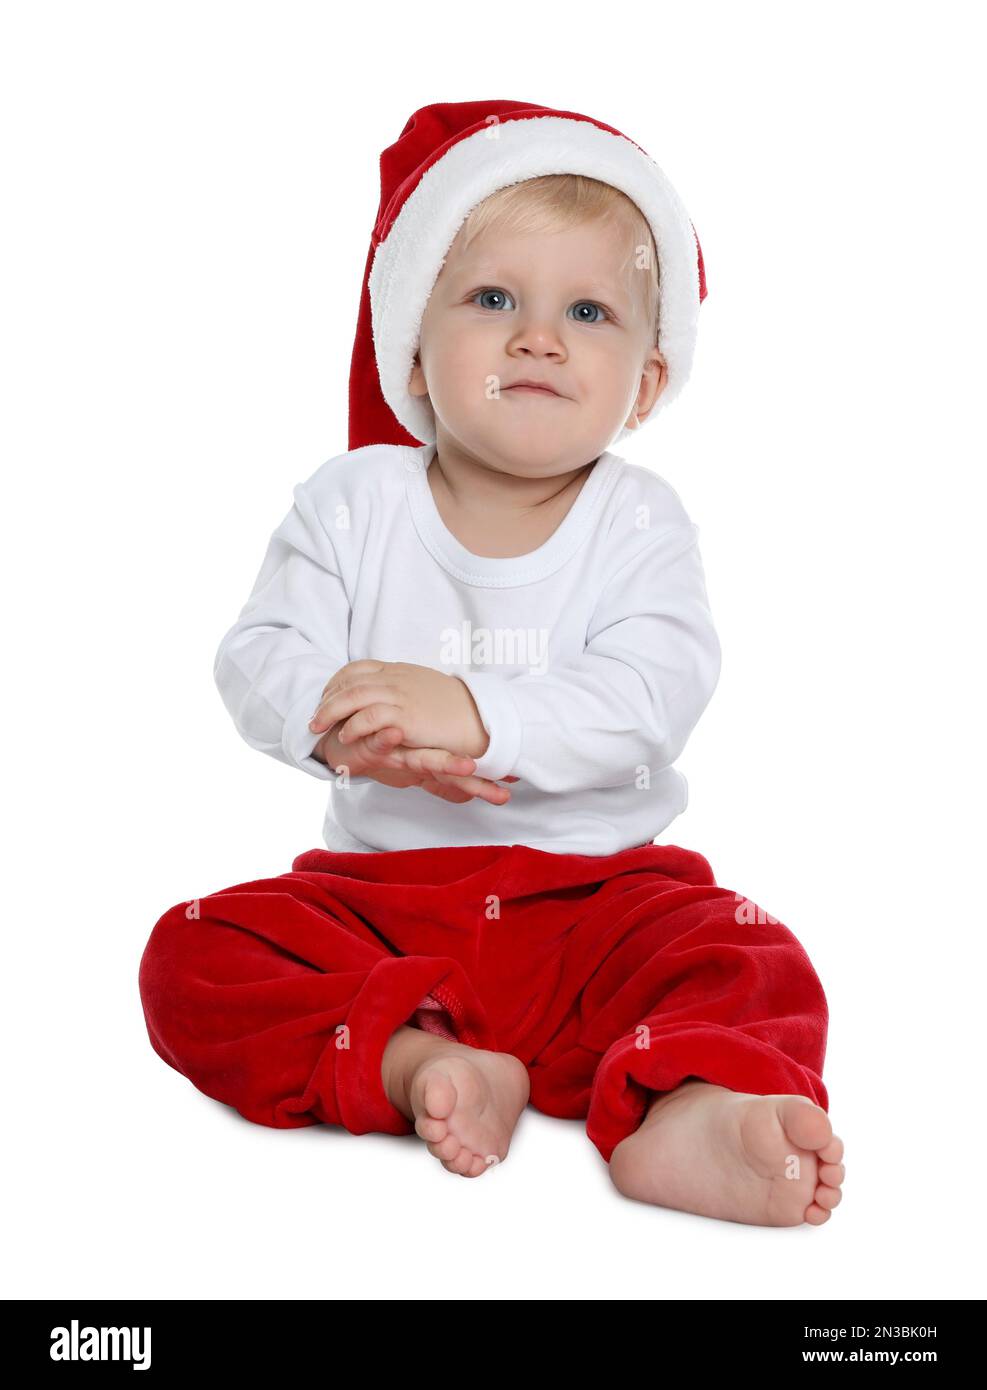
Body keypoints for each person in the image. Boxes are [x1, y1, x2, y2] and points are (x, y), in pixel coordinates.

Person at [139, 99, 845, 1226]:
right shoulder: (353, 499)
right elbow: (258, 652)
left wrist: (473, 712)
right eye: (493, 299)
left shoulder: (639, 522)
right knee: (192, 955)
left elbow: (648, 701)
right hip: (382, 909)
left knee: (751, 954)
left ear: (647, 385)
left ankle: (688, 1102)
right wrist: (337, 712)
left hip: (600, 903)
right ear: (414, 349)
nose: (538, 336)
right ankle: (422, 1060)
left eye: (588, 310)